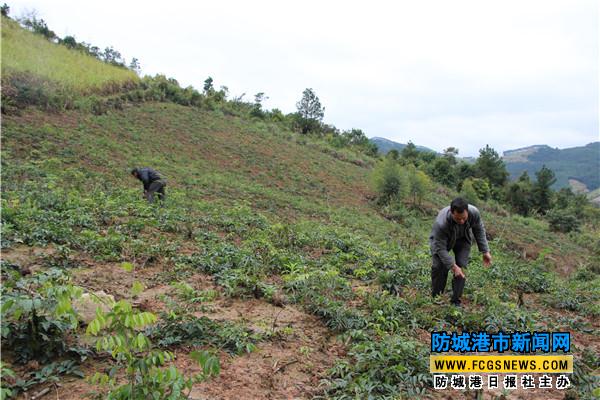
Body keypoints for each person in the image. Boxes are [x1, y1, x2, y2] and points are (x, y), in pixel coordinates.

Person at [429, 197, 492, 306]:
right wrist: (453, 266)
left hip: (463, 239)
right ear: (452, 212)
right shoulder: (441, 223)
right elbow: (440, 249)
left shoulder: (474, 213)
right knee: (439, 266)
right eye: (458, 219)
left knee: (461, 267)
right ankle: (436, 296)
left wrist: (485, 251)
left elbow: (479, 230)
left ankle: (455, 301)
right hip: (444, 241)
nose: (462, 221)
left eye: (464, 218)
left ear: (467, 211)